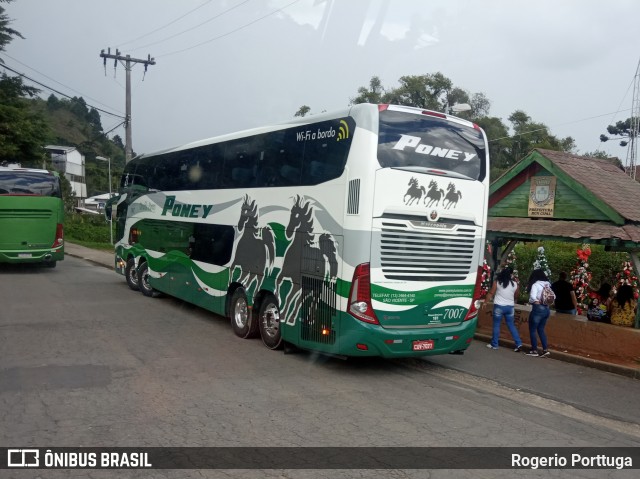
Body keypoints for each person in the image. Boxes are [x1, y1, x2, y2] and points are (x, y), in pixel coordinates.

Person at [485, 267, 523, 352]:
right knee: (511, 325)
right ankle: (518, 343)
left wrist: (485, 302)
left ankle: (494, 344)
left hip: (499, 307)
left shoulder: (497, 282)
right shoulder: (515, 284)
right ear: (511, 275)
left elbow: (491, 293)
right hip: (510, 308)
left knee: (496, 325)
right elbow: (516, 296)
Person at [525, 269, 552, 357]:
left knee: (532, 329)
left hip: (537, 309)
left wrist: (535, 301)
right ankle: (545, 350)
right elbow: (553, 296)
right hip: (547, 309)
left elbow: (532, 297)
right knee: (541, 329)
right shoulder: (548, 285)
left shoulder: (535, 285)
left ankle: (534, 350)